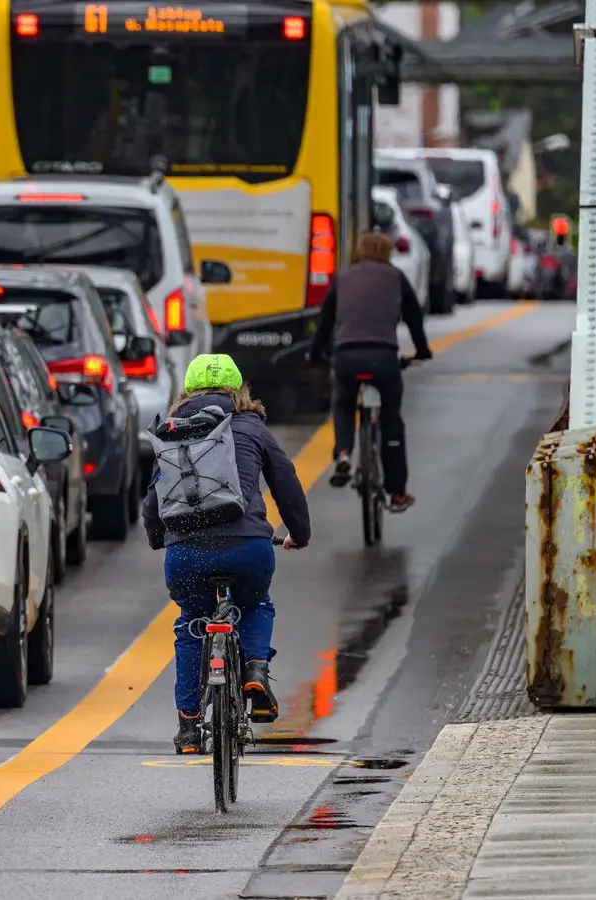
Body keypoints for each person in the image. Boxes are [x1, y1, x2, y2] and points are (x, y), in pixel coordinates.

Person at [143, 354, 311, 754]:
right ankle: (255, 668)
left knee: (191, 624)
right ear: (239, 390)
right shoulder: (252, 427)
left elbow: (154, 502)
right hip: (249, 547)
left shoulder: (172, 431)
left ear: (188, 391)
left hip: (186, 554)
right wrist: (299, 533)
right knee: (255, 604)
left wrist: (158, 539)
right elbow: (286, 483)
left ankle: (187, 728)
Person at [308, 231, 432, 512]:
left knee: (343, 403)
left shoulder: (343, 277)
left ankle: (342, 452)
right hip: (384, 358)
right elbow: (414, 317)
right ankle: (398, 493)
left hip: (346, 357)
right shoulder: (396, 277)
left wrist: (316, 354)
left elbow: (325, 321)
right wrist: (422, 350)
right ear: (388, 253)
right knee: (392, 422)